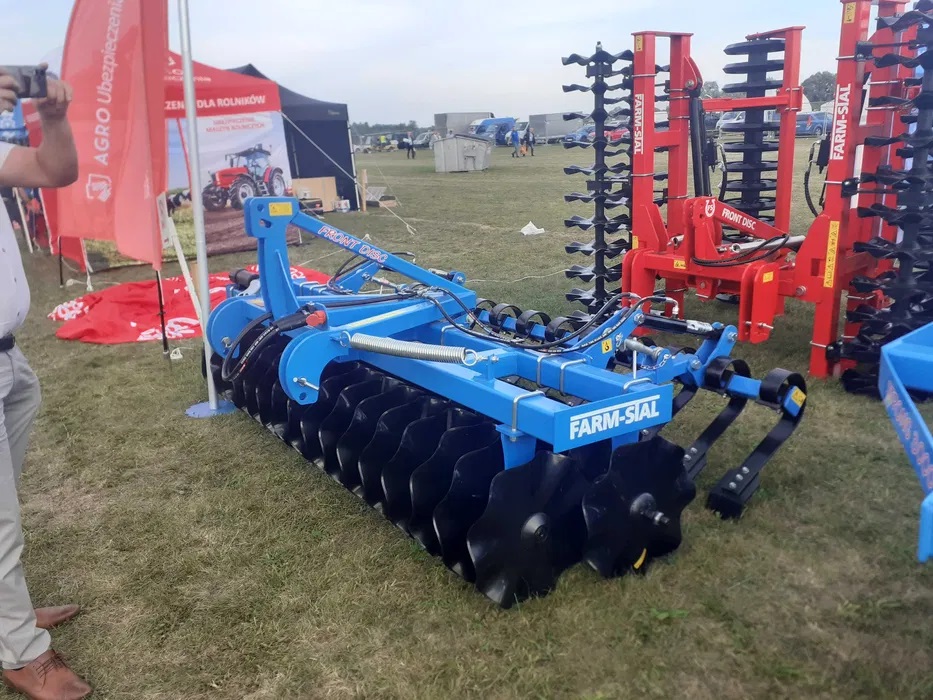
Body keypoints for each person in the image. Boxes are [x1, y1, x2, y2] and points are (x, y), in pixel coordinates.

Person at [0, 67, 89, 700]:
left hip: (9, 357)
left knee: (4, 506)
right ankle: (20, 650)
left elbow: (55, 171)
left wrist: (53, 119)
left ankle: (8, 614)